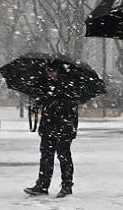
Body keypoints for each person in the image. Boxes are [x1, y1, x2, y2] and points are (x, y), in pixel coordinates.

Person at [23, 63, 84, 198]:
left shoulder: (68, 85)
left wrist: (50, 99)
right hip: (49, 125)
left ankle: (66, 185)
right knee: (46, 156)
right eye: (48, 71)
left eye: (52, 70)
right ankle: (43, 184)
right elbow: (47, 103)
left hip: (64, 126)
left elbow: (67, 106)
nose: (50, 73)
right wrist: (38, 102)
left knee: (63, 156)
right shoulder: (46, 85)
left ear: (59, 71)